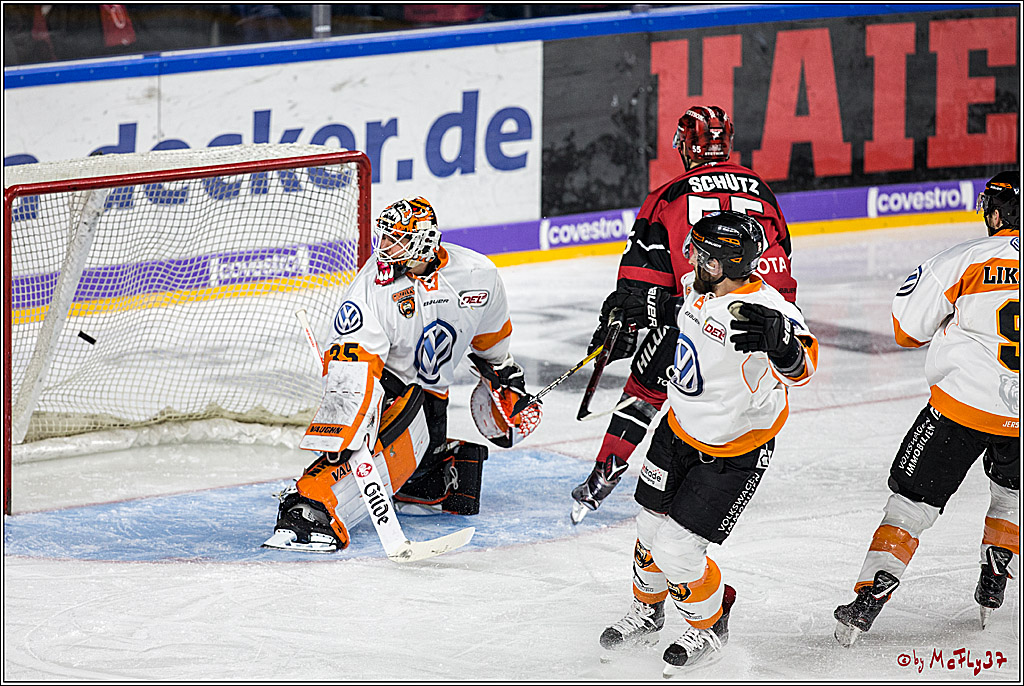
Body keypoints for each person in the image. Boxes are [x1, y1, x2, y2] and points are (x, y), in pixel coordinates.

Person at [597, 211, 818, 673]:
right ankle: (649, 612)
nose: (689, 255)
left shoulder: (766, 312)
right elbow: (673, 311)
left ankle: (708, 624)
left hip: (734, 452)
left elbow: (805, 368)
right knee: (647, 531)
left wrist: (784, 349)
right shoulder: (701, 286)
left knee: (677, 550)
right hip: (677, 431)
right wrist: (629, 312)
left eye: (699, 252)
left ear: (720, 264)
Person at [264, 196, 541, 552]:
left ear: (425, 242)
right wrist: (342, 433)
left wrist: (502, 371)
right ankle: (310, 506)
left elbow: (491, 335)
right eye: (383, 237)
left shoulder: (477, 275)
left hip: (436, 392)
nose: (384, 248)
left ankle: (418, 477)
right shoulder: (371, 289)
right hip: (388, 388)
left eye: (396, 239)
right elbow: (354, 364)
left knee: (426, 485)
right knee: (378, 447)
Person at [571, 104, 798, 524]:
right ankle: (720, 477)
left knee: (644, 391)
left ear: (685, 145)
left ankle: (602, 478)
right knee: (739, 399)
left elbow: (642, 276)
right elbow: (781, 259)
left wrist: (625, 313)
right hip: (761, 321)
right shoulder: (762, 190)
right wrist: (779, 322)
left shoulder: (669, 196)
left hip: (690, 318)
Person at [833, 171, 1020, 646]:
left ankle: (873, 589)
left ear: (996, 213)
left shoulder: (965, 260)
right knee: (1011, 494)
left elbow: (905, 330)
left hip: (961, 409)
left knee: (910, 506)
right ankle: (997, 565)